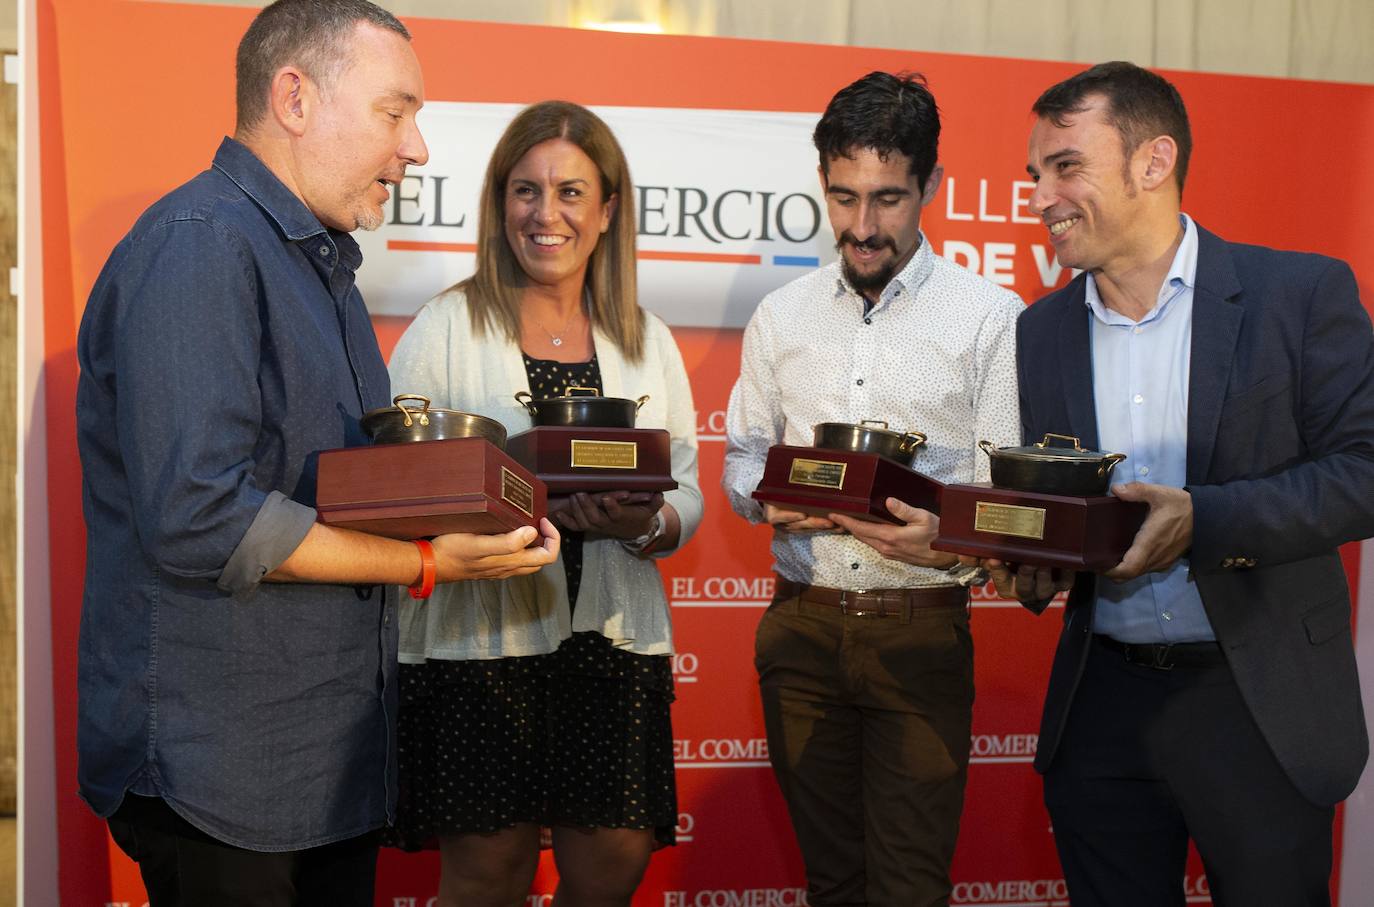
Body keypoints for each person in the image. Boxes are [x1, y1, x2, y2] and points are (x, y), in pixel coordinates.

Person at [74, 2, 560, 904]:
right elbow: (201, 517)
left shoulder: (321, 266)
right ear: (294, 98)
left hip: (325, 769)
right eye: (394, 112)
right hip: (223, 773)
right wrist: (427, 565)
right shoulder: (201, 244)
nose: (417, 148)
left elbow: (338, 493)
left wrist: (478, 515)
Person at [987, 61, 1374, 906]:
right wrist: (1033, 563)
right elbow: (1061, 514)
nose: (1041, 197)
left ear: (1153, 161)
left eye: (1066, 166)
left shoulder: (1298, 294)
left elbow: (1364, 470)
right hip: (1102, 708)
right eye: (1035, 173)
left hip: (1259, 700)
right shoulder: (1040, 332)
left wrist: (1205, 518)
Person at [383, 100, 703, 907]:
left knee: (613, 863)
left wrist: (645, 524)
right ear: (500, 204)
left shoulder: (647, 338)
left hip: (612, 636)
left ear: (608, 211)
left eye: (570, 192)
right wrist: (497, 506)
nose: (545, 213)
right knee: (488, 871)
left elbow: (687, 487)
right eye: (525, 190)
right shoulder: (444, 326)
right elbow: (396, 480)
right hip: (482, 640)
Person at [721, 72, 1022, 906]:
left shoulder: (990, 317)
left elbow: (1005, 499)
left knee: (909, 889)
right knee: (831, 884)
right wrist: (769, 497)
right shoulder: (780, 316)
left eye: (888, 199)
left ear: (932, 185)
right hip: (801, 631)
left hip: (920, 633)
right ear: (822, 183)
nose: (862, 226)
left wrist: (948, 539)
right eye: (844, 197)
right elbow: (743, 457)